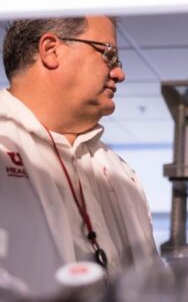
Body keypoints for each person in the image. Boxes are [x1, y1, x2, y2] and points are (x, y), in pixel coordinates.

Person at [0, 16, 162, 297]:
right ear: (51, 50)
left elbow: (154, 284)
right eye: (108, 55)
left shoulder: (122, 174)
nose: (119, 74)